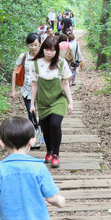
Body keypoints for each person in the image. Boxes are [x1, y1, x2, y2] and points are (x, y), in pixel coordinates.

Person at [29, 36, 73, 169]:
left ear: (57, 51)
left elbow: (65, 83)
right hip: (43, 102)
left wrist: (70, 102)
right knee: (46, 129)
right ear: (43, 49)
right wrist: (32, 104)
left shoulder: (62, 63)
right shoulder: (35, 63)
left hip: (58, 100)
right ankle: (49, 151)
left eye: (53, 50)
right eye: (47, 49)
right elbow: (34, 85)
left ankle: (56, 155)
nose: (49, 53)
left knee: (55, 124)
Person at [11, 33, 40, 122]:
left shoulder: (44, 56)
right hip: (27, 89)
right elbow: (14, 72)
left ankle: (42, 133)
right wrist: (13, 90)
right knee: (31, 113)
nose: (33, 47)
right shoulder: (23, 56)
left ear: (40, 44)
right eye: (31, 45)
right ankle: (32, 133)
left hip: (41, 89)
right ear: (27, 44)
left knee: (43, 115)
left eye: (36, 45)